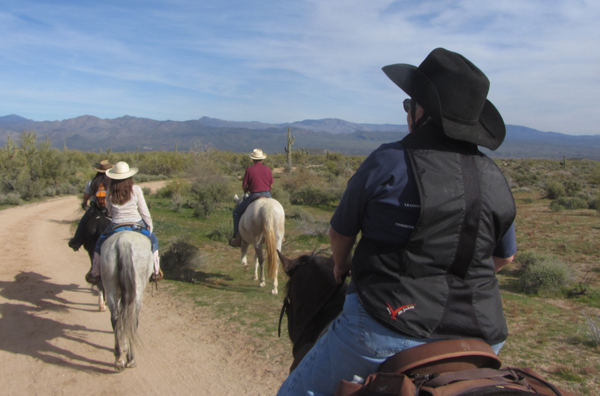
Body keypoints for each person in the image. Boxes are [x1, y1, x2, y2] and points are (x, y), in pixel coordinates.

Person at [276, 48, 517, 396]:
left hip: (386, 325)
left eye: (409, 105)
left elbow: (340, 233)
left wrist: (341, 267)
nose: (407, 113)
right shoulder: (494, 179)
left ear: (421, 112)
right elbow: (504, 257)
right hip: (483, 340)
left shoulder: (388, 162)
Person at [86, 161, 162, 285]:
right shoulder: (136, 189)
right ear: (129, 176)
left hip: (116, 225)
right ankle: (155, 271)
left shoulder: (110, 191)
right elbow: (144, 211)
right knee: (154, 241)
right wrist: (149, 225)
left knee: (99, 244)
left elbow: (109, 212)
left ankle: (95, 272)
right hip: (136, 224)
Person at [228, 148, 274, 247]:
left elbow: (244, 186)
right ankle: (280, 236)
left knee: (236, 212)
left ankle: (237, 238)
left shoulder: (249, 170)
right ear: (262, 159)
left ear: (253, 159)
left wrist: (246, 190)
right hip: (267, 195)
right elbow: (271, 186)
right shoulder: (268, 169)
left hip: (254, 195)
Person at [68, 160, 113, 251]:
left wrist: (84, 203)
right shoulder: (113, 182)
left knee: (83, 222)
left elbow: (86, 197)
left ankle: (76, 242)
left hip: (95, 210)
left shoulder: (93, 182)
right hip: (110, 209)